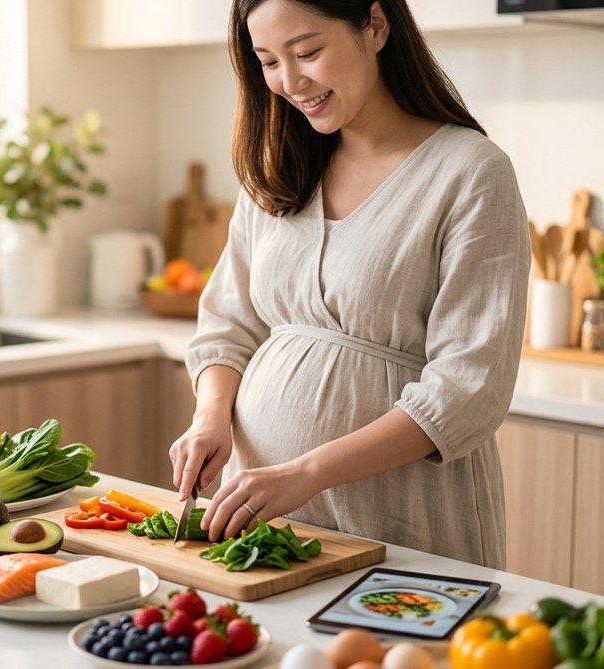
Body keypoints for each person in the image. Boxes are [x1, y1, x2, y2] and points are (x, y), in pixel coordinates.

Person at [169, 0, 530, 569]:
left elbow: (468, 388)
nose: (290, 82)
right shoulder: (275, 166)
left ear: (376, 25)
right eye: (267, 61)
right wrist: (210, 415)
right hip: (262, 508)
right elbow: (228, 325)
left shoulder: (470, 171)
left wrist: (307, 472)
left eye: (308, 52)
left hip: (400, 509)